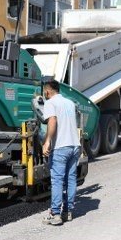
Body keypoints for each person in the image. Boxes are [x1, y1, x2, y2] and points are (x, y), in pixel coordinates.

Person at [41, 79, 81, 226]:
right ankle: (68, 211)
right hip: (74, 145)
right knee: (70, 179)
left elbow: (52, 122)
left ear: (47, 91)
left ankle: (56, 214)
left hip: (61, 147)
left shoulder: (50, 103)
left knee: (57, 180)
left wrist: (47, 141)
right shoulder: (70, 103)